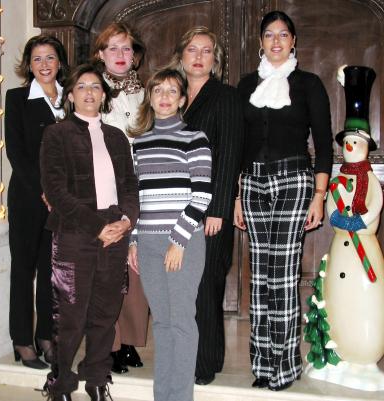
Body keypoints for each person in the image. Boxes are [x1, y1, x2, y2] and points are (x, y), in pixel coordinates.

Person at [234, 10, 333, 391]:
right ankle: (263, 363)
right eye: (269, 35)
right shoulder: (245, 86)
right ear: (260, 42)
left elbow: (323, 143)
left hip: (295, 181)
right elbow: (241, 146)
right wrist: (238, 196)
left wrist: (320, 196)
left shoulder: (308, 84)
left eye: (283, 34)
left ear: (294, 41)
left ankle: (286, 365)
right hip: (253, 182)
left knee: (283, 274)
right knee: (260, 275)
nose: (276, 41)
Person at [40, 63, 139, 401]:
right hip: (75, 234)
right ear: (70, 95)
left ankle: (97, 378)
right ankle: (61, 383)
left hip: (115, 230)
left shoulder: (116, 137)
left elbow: (129, 185)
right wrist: (98, 227)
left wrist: (126, 221)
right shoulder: (57, 134)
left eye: (95, 86)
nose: (89, 92)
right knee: (69, 315)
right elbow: (56, 192)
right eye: (82, 86)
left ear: (103, 94)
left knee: (105, 313)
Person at [127, 69, 212, 401]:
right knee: (161, 323)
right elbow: (137, 197)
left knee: (181, 322)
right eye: (158, 90)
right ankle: (163, 396)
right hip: (147, 243)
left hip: (184, 243)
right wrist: (133, 240)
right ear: (150, 97)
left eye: (171, 91)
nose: (164, 96)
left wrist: (178, 241)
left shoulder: (195, 138)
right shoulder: (141, 143)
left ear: (182, 99)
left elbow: (201, 195)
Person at [166, 26, 243, 385]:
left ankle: (205, 363)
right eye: (192, 49)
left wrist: (219, 209)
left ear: (216, 59)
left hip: (209, 211)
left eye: (207, 50)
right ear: (181, 56)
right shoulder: (173, 97)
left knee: (205, 285)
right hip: (175, 210)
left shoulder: (225, 97)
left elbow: (229, 155)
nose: (198, 56)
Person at [4, 34, 69, 369]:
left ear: (59, 61)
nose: (44, 65)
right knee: (23, 269)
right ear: (29, 65)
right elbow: (16, 152)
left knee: (51, 273)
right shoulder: (16, 98)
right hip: (29, 198)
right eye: (37, 59)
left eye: (50, 58)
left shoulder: (70, 100)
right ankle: (21, 341)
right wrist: (45, 190)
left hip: (63, 203)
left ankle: (46, 336)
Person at [92, 21, 148, 374]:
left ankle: (129, 341)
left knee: (136, 267)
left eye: (126, 48)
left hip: (140, 189)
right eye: (112, 48)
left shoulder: (146, 93)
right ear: (100, 54)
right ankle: (108, 343)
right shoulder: (91, 90)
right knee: (107, 267)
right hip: (105, 191)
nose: (120, 55)